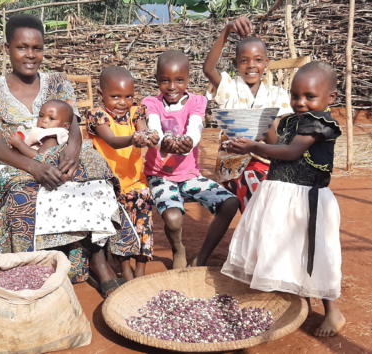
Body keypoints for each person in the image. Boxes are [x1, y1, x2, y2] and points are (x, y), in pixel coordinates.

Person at [0, 14, 132, 298]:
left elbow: (73, 126)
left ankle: (97, 260)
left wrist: (73, 151)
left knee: (94, 172)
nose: (30, 55)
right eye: (22, 47)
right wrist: (35, 167)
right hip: (19, 160)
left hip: (63, 152)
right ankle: (35, 268)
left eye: (37, 48)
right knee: (27, 189)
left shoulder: (58, 81)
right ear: (6, 49)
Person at [221, 61, 346, 337]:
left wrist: (253, 145)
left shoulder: (321, 122)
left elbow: (291, 152)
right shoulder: (291, 120)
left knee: (315, 252)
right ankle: (289, 301)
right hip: (279, 195)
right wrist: (256, 130)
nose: (300, 102)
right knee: (282, 249)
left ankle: (333, 312)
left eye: (309, 97)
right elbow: (276, 147)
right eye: (295, 95)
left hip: (307, 201)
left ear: (331, 98)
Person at [143, 50, 240, 269]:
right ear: (157, 79)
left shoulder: (197, 101)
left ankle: (202, 256)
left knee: (230, 202)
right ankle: (178, 248)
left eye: (179, 80)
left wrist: (189, 143)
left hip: (190, 176)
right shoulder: (151, 103)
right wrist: (164, 143)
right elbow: (154, 129)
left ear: (188, 79)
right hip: (160, 176)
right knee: (174, 219)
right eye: (165, 80)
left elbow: (196, 128)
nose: (172, 86)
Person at [203, 17, 294, 212]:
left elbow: (277, 140)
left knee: (282, 192)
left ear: (267, 63)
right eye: (244, 61)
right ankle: (256, 234)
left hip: (268, 161)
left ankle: (267, 235)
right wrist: (227, 30)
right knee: (255, 187)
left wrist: (267, 130)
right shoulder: (230, 87)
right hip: (233, 164)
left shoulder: (277, 94)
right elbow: (208, 69)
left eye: (258, 60)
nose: (251, 65)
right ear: (236, 64)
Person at [87, 66, 159, 280]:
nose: (123, 102)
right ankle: (126, 270)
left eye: (128, 96)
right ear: (101, 95)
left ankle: (141, 270)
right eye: (115, 96)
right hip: (111, 185)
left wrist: (150, 138)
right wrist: (133, 138)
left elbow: (143, 129)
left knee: (144, 224)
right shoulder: (97, 116)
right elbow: (111, 140)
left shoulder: (137, 112)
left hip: (137, 181)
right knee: (123, 228)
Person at [7, 100, 72, 158]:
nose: (44, 120)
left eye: (51, 118)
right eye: (41, 116)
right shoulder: (40, 133)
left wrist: (20, 144)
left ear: (65, 126)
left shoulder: (52, 139)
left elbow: (39, 157)